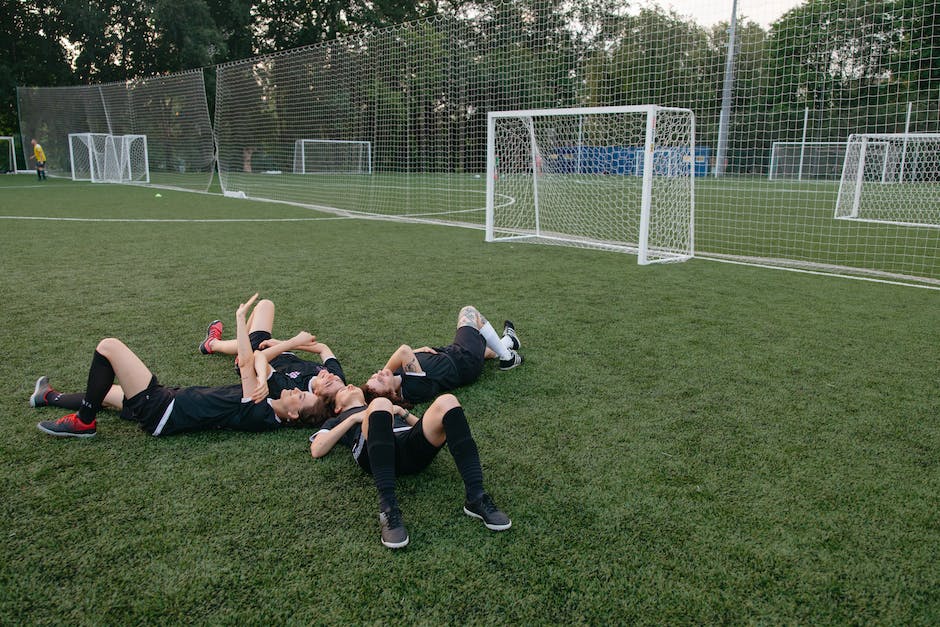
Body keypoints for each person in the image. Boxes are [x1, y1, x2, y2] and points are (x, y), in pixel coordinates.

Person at [34, 294, 320, 438]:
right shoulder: (268, 405)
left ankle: (84, 422)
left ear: (294, 415)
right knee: (105, 392)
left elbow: (246, 361)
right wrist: (260, 374)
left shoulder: (262, 414)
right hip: (171, 403)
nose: (296, 390)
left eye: (302, 396)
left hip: (164, 409)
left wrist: (240, 318)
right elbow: (255, 362)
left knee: (109, 347)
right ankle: (48, 396)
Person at [310, 385, 511, 548]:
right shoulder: (336, 419)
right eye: (344, 390)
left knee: (447, 401)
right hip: (374, 453)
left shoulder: (384, 406)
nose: (350, 385)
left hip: (410, 447)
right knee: (380, 403)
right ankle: (389, 510)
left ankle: (476, 497)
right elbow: (317, 449)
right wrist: (355, 417)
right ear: (337, 408)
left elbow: (431, 426)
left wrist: (402, 413)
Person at [196, 297, 346, 407]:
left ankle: (214, 344)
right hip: (273, 349)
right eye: (336, 379)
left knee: (264, 305)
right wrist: (282, 344)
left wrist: (292, 343)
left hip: (255, 357)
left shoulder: (294, 391)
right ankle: (221, 344)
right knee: (262, 310)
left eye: (327, 383)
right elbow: (323, 348)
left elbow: (256, 359)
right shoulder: (337, 381)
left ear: (316, 394)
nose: (331, 376)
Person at [362, 305, 522, 406]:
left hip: (455, 355)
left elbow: (407, 355)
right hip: (464, 360)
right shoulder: (412, 390)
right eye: (381, 380)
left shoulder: (396, 378)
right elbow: (404, 351)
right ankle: (508, 358)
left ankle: (509, 341)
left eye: (375, 375)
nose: (380, 373)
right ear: (391, 394)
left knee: (486, 350)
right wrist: (411, 353)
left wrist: (417, 352)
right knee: (469, 312)